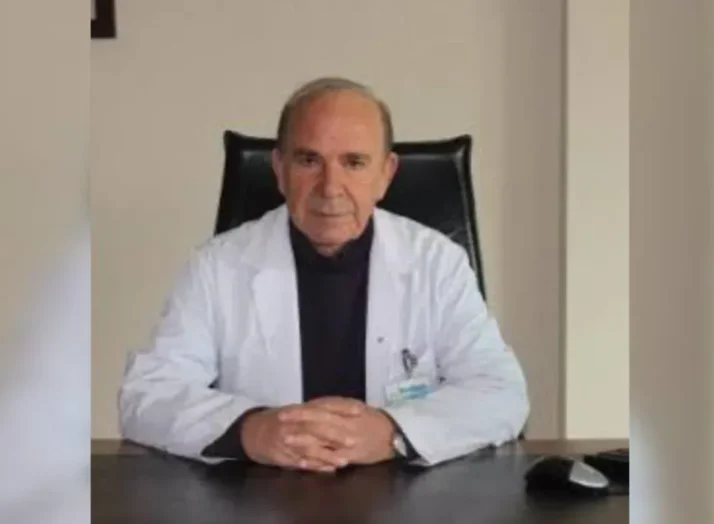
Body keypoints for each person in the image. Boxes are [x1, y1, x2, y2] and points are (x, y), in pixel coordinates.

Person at [119, 77, 529, 473]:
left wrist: (393, 432)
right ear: (279, 169)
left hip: (406, 495)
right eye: (309, 160)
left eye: (354, 163)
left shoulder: (436, 262)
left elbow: (501, 392)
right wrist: (251, 430)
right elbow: (148, 394)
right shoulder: (217, 267)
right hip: (259, 496)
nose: (330, 187)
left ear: (386, 174)